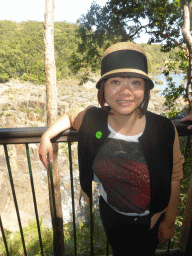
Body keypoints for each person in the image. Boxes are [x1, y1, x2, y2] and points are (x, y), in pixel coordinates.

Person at [39, 42, 184, 256]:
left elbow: (175, 176)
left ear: (144, 89)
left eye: (135, 82)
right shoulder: (94, 121)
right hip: (111, 215)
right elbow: (70, 116)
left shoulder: (163, 129)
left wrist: (169, 221)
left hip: (151, 221)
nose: (125, 91)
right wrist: (46, 136)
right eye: (115, 81)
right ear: (103, 89)